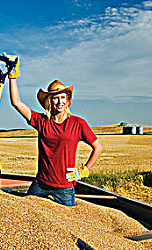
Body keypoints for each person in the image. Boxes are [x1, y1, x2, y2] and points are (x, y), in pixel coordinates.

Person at [6, 54, 102, 206]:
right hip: (40, 185)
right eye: (55, 98)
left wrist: (83, 170)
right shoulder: (41, 121)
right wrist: (13, 75)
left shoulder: (78, 123)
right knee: (28, 215)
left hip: (64, 188)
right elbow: (16, 103)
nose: (60, 101)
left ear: (67, 100)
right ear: (49, 101)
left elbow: (98, 147)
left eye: (63, 97)